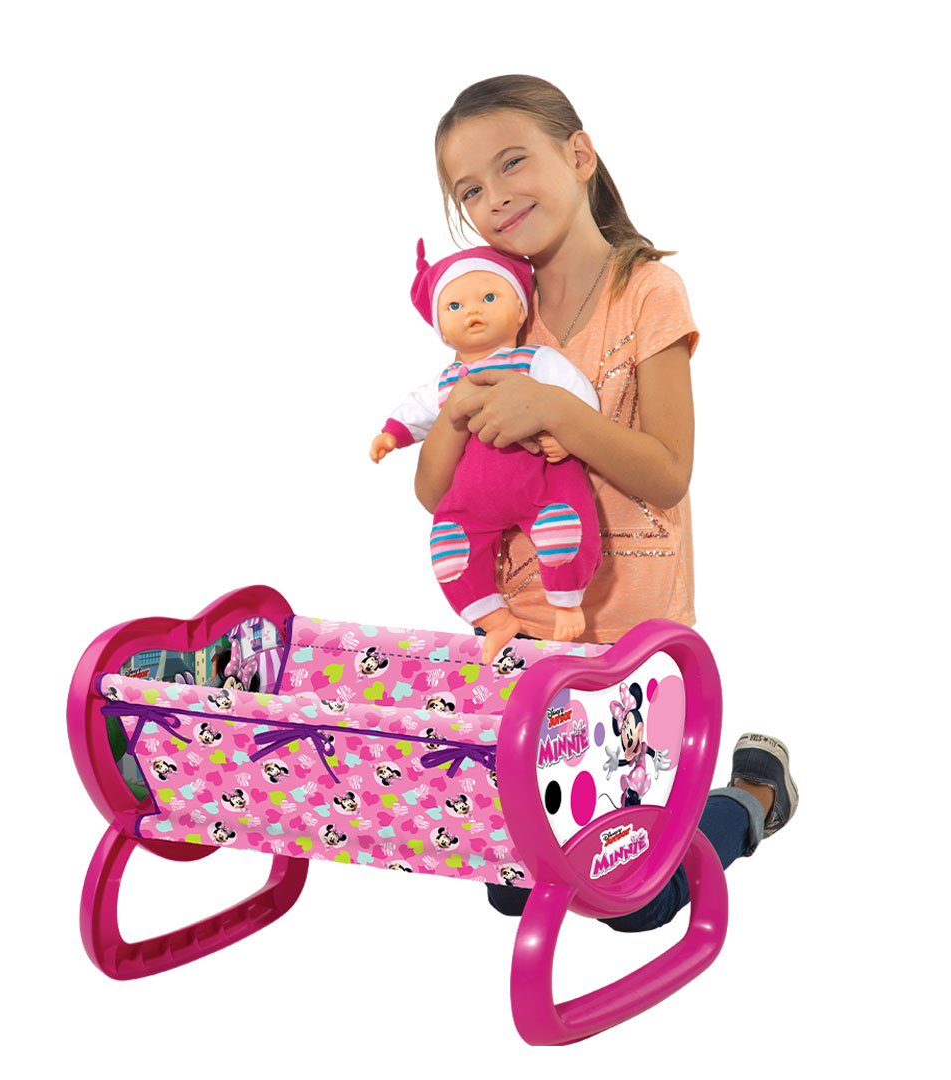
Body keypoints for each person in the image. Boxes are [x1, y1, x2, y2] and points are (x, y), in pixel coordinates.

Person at [419, 74, 797, 932]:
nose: (494, 197)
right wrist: (452, 416)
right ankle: (672, 824)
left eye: (512, 163)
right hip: (529, 629)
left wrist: (555, 412)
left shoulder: (647, 292)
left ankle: (750, 795)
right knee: (513, 883)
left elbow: (667, 473)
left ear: (579, 155)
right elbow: (438, 494)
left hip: (634, 639)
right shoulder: (494, 309)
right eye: (469, 190)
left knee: (634, 900)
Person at [370, 241, 603, 664]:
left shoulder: (534, 361)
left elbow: (577, 394)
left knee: (565, 526)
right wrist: (392, 434)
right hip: (473, 498)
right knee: (448, 547)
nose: (472, 311)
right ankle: (494, 619)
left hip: (542, 478)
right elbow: (417, 409)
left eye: (489, 298)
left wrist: (569, 435)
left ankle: (568, 601)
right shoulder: (447, 382)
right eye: (454, 306)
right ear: (441, 330)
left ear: (520, 311)